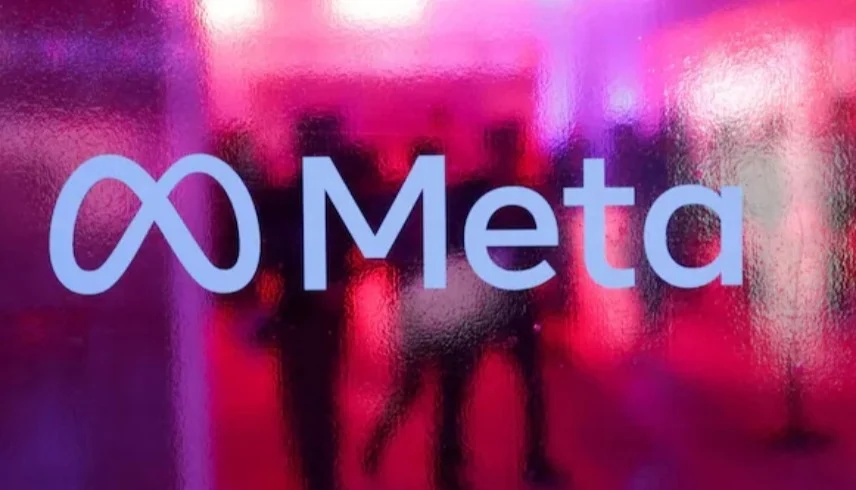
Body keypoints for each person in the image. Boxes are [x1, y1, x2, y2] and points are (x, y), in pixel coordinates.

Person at [363, 122, 559, 490]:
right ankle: (447, 466)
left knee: (473, 386)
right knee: (450, 387)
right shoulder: (480, 194)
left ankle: (463, 466)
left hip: (499, 302)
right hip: (478, 301)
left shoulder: (491, 194)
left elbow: (533, 250)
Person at [258, 112, 379, 490]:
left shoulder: (296, 194)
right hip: (315, 309)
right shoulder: (332, 194)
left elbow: (274, 252)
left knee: (307, 402)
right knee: (317, 400)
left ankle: (318, 476)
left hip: (302, 308)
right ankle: (321, 476)